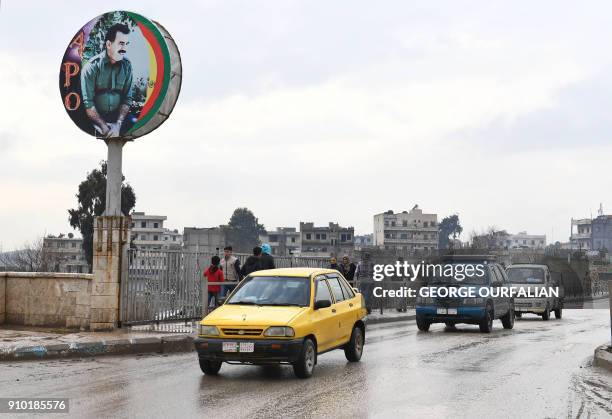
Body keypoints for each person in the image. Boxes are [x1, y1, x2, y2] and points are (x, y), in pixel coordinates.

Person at [81, 23, 134, 138]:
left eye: (126, 44)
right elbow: (88, 103)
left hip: (118, 121)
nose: (124, 48)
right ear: (109, 44)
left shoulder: (127, 67)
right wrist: (105, 128)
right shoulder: (92, 67)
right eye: (121, 44)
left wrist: (118, 125)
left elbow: (127, 99)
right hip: (95, 121)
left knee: (134, 122)